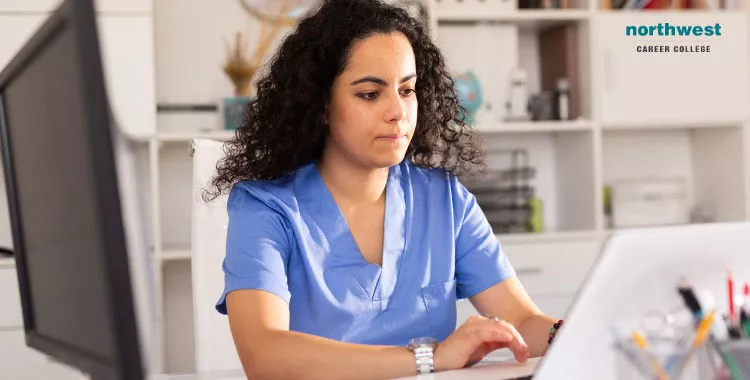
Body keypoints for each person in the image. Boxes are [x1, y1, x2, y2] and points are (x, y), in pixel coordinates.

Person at [205, 0, 563, 378]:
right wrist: (432, 358)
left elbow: (522, 322)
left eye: (407, 90)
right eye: (370, 94)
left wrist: (570, 330)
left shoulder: (445, 200)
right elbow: (265, 355)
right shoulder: (265, 207)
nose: (398, 111)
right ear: (321, 104)